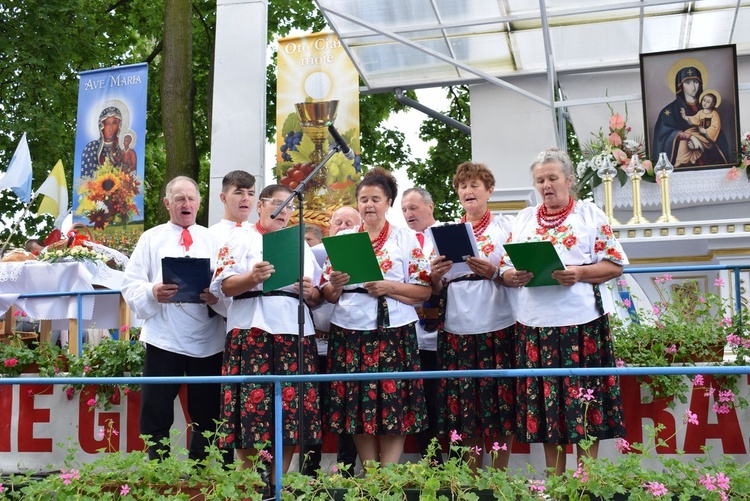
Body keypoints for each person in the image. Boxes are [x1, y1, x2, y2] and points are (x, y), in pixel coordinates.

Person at [500, 148, 627, 476]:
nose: (546, 185)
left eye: (553, 178)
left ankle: (586, 480)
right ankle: (554, 481)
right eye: (540, 179)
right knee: (547, 406)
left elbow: (614, 265)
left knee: (584, 400)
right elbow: (505, 266)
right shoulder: (525, 218)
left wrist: (581, 273)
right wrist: (511, 276)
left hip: (580, 324)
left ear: (569, 180)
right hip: (535, 325)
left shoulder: (588, 214)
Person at [210, 183, 323, 476]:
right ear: (260, 206)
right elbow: (222, 286)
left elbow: (319, 296)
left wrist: (310, 291)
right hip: (251, 331)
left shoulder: (298, 244)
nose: (284, 212)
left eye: (290, 207)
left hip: (293, 331)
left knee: (290, 413)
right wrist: (251, 277)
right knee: (250, 409)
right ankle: (252, 480)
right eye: (277, 204)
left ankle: (278, 483)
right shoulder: (239, 237)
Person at [322, 166, 431, 466]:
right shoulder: (344, 238)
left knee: (394, 403)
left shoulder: (405, 239)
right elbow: (327, 295)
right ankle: (371, 473)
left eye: (375, 199)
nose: (369, 205)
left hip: (394, 329)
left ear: (388, 203)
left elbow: (424, 292)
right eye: (363, 199)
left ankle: (389, 472)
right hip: (349, 329)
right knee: (358, 405)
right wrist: (335, 283)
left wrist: (388, 287)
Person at [121, 176, 226, 462]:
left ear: (199, 204)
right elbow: (130, 284)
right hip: (163, 335)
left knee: (206, 410)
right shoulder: (150, 238)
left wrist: (217, 296)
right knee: (156, 408)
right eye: (179, 198)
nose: (186, 204)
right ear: (168, 203)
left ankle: (200, 469)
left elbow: (227, 283)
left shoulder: (214, 239)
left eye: (191, 198)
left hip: (208, 337)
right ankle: (159, 469)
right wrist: (153, 291)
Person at [430, 162, 516, 471]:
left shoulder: (506, 227)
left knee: (500, 402)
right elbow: (436, 286)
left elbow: (512, 272)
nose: (468, 191)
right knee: (465, 405)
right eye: (462, 186)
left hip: (498, 322)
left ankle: (499, 476)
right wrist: (436, 275)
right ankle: (472, 480)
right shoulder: (444, 232)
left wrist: (492, 271)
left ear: (489, 191)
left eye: (474, 185)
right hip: (458, 324)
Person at [303, 206, 361, 477]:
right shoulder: (315, 257)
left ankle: (347, 470)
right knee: (309, 409)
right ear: (329, 228)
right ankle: (308, 471)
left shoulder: (365, 253)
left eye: (350, 221)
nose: (344, 225)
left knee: (346, 408)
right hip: (312, 345)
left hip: (345, 342)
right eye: (338, 222)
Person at [400, 187, 444, 463]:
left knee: (445, 399)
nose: (408, 214)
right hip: (412, 333)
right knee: (419, 400)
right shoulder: (401, 238)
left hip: (445, 330)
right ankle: (430, 462)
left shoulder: (445, 234)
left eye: (413, 208)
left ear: (430, 207)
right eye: (404, 209)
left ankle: (455, 463)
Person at [652, 66, 729, 167]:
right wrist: (691, 137)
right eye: (688, 83)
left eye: (696, 82)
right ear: (680, 86)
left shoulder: (709, 109)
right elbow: (663, 136)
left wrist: (703, 141)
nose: (693, 87)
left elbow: (716, 136)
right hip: (683, 164)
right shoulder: (670, 110)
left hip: (709, 161)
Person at [209, 170, 256, 244]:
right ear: (223, 198)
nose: (246, 198)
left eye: (250, 194)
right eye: (239, 193)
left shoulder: (261, 236)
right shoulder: (209, 236)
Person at [678, 91, 722, 166]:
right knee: (687, 135)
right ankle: (685, 159)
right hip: (700, 133)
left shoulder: (714, 114)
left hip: (708, 138)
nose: (705, 103)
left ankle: (693, 156)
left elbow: (716, 127)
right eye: (704, 100)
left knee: (693, 140)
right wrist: (685, 117)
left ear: (712, 104)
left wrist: (705, 131)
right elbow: (694, 119)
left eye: (708, 102)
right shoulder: (700, 112)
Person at [81, 106, 124, 177]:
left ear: (119, 125)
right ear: (102, 126)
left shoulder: (122, 148)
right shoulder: (91, 148)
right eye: (107, 124)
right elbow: (85, 177)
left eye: (114, 123)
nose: (111, 128)